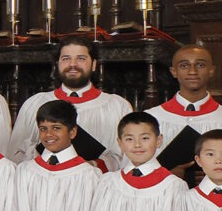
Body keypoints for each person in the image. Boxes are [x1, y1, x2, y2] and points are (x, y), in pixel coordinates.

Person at [8, 40, 131, 171]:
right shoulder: (34, 103)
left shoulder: (117, 106)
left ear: (94, 64)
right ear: (57, 64)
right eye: (66, 59)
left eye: (81, 58)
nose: (73, 64)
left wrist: (92, 166)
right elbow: (14, 155)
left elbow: (127, 158)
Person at [151, 44, 222, 180]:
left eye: (200, 65)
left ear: (211, 70)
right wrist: (166, 177)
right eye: (184, 66)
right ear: (173, 71)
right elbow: (134, 167)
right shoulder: (152, 117)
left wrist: (217, 177)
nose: (192, 71)